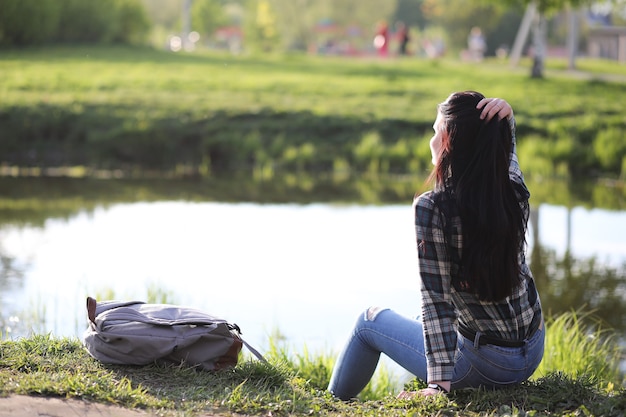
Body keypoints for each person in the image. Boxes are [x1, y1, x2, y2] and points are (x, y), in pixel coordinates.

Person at [327, 91, 544, 400]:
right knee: (418, 322)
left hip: (487, 365)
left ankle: (329, 405)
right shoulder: (510, 190)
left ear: (447, 141)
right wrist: (506, 119)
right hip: (532, 349)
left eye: (434, 131)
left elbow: (436, 302)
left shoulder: (433, 208)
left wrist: (437, 386)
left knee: (368, 321)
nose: (430, 139)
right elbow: (504, 151)